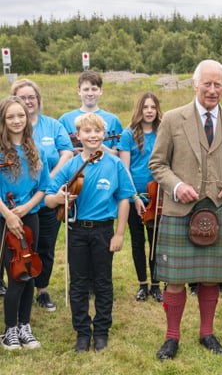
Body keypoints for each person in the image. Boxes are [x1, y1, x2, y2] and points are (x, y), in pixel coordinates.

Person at [148, 59, 222, 361]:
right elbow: (157, 164)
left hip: (219, 209)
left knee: (210, 276)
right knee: (175, 278)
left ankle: (207, 333)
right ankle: (171, 337)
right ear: (195, 84)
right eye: (207, 83)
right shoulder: (173, 120)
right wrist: (177, 186)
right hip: (181, 211)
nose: (213, 90)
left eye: (218, 84)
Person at [44, 112, 135, 352]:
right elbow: (48, 199)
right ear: (77, 136)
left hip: (104, 231)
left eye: (97, 131)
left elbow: (124, 199)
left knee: (104, 282)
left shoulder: (114, 164)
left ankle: (102, 330)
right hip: (77, 231)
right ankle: (82, 332)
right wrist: (59, 198)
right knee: (79, 283)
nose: (93, 136)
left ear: (103, 134)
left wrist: (119, 234)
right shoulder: (72, 165)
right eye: (87, 132)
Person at [10, 79, 73, 311]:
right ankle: (16, 286)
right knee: (15, 247)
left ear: (38, 99)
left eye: (32, 97)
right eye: (23, 97)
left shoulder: (53, 125)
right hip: (15, 202)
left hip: (48, 195)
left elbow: (66, 152)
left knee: (45, 245)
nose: (28, 101)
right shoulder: (9, 128)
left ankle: (42, 289)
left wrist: (50, 179)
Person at [0, 96, 50, 350]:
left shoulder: (34, 148)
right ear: (3, 121)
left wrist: (29, 207)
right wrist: (8, 215)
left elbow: (44, 187)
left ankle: (25, 326)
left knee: (30, 272)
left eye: (20, 115)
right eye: (11, 117)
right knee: (16, 274)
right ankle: (9, 330)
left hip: (30, 216)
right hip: (4, 218)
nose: (17, 120)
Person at [118, 92, 163, 303]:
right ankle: (142, 285)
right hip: (134, 196)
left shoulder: (163, 131)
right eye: (145, 107)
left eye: (153, 107)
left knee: (156, 241)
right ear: (139, 109)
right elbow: (125, 168)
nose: (149, 111)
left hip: (158, 196)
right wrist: (134, 196)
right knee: (137, 242)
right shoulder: (129, 134)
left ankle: (156, 284)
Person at [58, 70, 123, 156]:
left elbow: (119, 154)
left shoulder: (113, 120)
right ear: (79, 91)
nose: (90, 93)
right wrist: (72, 152)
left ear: (101, 91)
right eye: (86, 89)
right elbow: (57, 152)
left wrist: (102, 148)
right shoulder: (65, 120)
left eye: (94, 89)